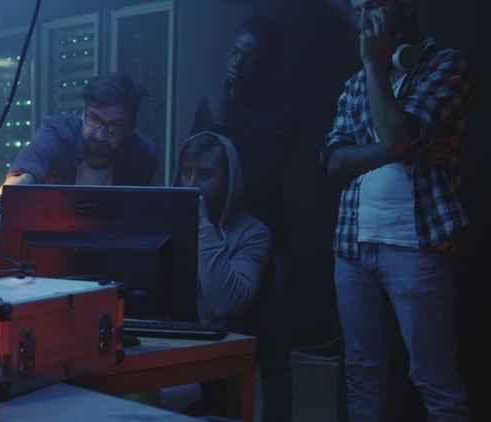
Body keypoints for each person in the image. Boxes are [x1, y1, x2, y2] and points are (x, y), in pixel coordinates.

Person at [320, 0, 475, 420]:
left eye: (373, 4)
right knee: (361, 375)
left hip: (416, 246)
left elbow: (395, 134)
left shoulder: (447, 65)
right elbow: (334, 162)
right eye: (356, 9)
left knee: (433, 378)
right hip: (352, 248)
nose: (364, 17)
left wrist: (374, 65)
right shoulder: (354, 84)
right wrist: (396, 147)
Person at [191, 16, 299, 421]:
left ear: (268, 64)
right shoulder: (211, 101)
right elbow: (194, 165)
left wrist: (220, 124)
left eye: (250, 57)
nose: (237, 62)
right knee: (217, 347)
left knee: (273, 354)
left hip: (262, 243)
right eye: (234, 52)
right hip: (214, 236)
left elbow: (248, 181)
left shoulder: (282, 116)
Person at [161, 131, 272, 415]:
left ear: (228, 179)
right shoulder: (163, 224)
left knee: (145, 397)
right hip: (159, 344)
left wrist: (202, 225)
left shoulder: (253, 234)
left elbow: (225, 303)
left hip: (209, 356)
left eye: (205, 174)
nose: (192, 184)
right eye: (186, 172)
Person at [0, 73, 156, 250]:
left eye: (115, 125)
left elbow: (130, 222)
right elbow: (27, 170)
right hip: (47, 244)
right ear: (83, 111)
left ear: (131, 126)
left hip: (106, 249)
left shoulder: (142, 155)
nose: (100, 135)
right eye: (94, 119)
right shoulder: (58, 131)